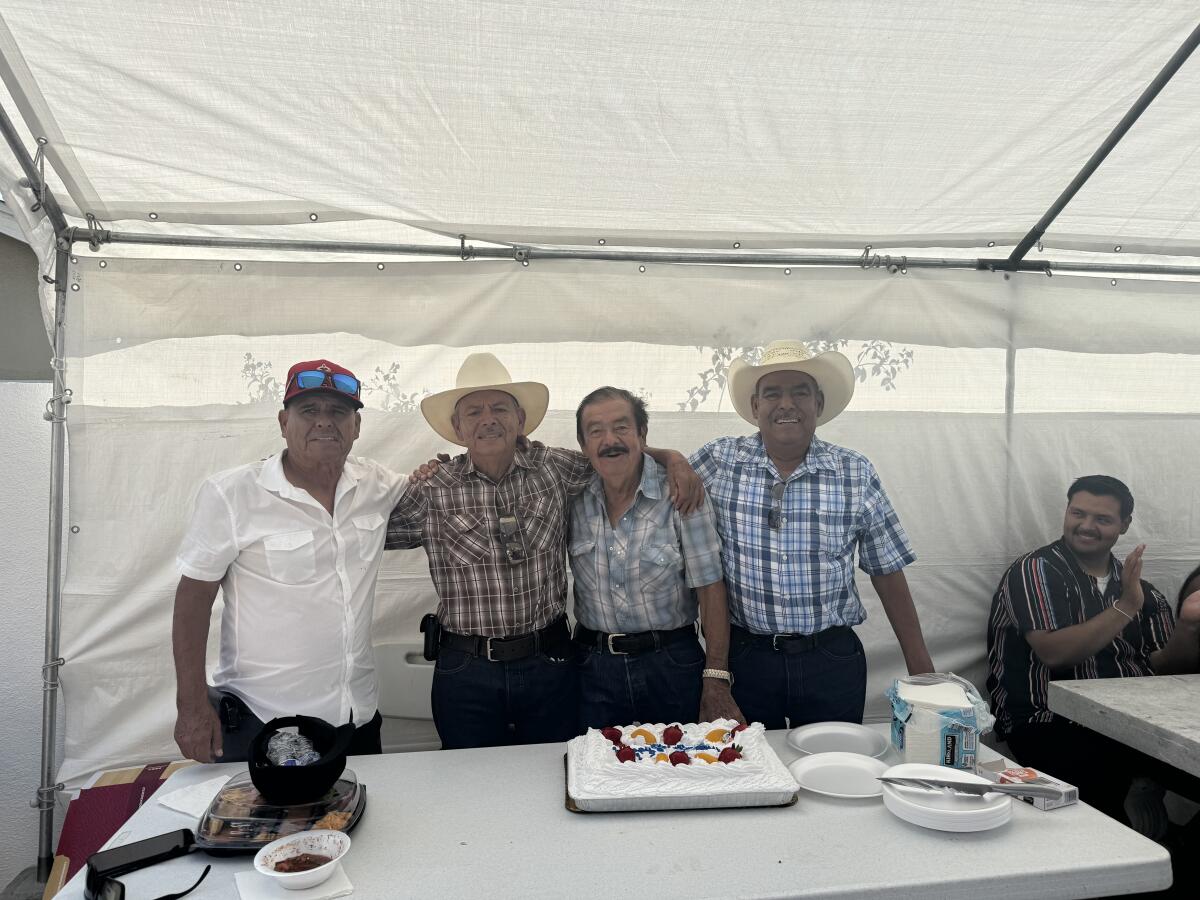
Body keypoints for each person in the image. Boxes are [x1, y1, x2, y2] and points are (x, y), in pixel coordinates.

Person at [385, 354, 701, 749]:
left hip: (549, 664)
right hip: (467, 670)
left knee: (553, 774)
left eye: (499, 408)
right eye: (474, 411)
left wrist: (674, 459)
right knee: (469, 780)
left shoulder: (555, 468)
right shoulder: (431, 490)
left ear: (519, 419)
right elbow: (361, 533)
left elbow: (617, 452)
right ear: (457, 427)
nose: (488, 419)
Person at [689, 340, 933, 730]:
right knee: (751, 772)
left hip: (830, 660)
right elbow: (660, 480)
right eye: (772, 393)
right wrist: (667, 456)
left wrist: (920, 665)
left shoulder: (854, 471)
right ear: (755, 408)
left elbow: (886, 569)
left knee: (833, 768)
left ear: (818, 404)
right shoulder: (719, 461)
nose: (786, 404)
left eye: (799, 392)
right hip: (747, 659)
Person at [173, 360, 407, 762]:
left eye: (338, 412)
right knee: (271, 826)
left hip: (358, 718)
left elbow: (445, 489)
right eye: (308, 411)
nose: (324, 422)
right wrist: (191, 706)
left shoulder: (379, 485)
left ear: (357, 426)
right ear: (284, 422)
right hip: (263, 721)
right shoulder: (232, 495)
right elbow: (192, 600)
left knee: (364, 820)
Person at [986, 475, 1200, 823]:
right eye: (1078, 513)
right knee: (1101, 808)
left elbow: (1160, 670)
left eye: (1102, 519)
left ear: (1124, 525)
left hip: (1132, 724)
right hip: (1048, 721)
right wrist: (1125, 607)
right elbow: (1054, 653)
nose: (1086, 526)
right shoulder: (1036, 570)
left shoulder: (1142, 589)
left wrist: (1189, 627)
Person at [570, 386, 743, 729]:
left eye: (621, 427)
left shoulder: (681, 493)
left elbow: (710, 588)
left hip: (671, 665)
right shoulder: (572, 496)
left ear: (642, 434)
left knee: (680, 770)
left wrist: (716, 676)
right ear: (583, 444)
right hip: (594, 668)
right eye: (596, 431)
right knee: (601, 774)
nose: (610, 440)